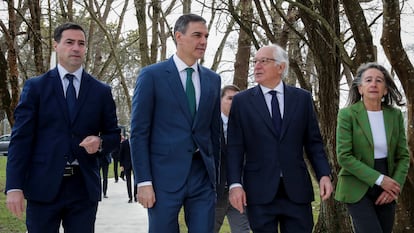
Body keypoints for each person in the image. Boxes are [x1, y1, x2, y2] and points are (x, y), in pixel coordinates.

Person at [5, 22, 120, 233]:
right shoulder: (36, 88)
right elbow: (20, 140)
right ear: (56, 45)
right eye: (69, 42)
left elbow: (114, 134)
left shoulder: (100, 91)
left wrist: (101, 142)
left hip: (83, 188)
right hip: (42, 186)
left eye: (81, 43)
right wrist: (14, 186)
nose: (76, 48)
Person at [226, 44, 333, 233]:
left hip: (296, 191)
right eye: (255, 61)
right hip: (259, 191)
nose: (257, 66)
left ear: (281, 67)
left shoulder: (302, 99)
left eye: (263, 61)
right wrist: (235, 184)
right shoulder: (242, 102)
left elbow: (314, 143)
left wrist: (324, 174)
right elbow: (235, 147)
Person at [129, 13, 221, 232]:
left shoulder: (213, 79)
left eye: (206, 36)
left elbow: (214, 132)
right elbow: (139, 133)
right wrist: (143, 182)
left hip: (202, 178)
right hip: (162, 180)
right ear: (179, 36)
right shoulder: (152, 76)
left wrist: (216, 177)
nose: (204, 41)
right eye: (197, 35)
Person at [335, 62, 410, 233]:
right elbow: (344, 156)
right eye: (368, 80)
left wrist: (394, 186)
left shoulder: (395, 115)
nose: (374, 84)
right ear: (360, 88)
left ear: (385, 89)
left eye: (379, 80)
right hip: (356, 183)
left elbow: (403, 156)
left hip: (389, 183)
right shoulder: (347, 115)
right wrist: (379, 179)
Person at [215, 85, 250, 233]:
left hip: (239, 192)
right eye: (230, 98)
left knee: (242, 231)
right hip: (216, 193)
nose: (234, 102)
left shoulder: (247, 127)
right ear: (220, 101)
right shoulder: (209, 125)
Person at [119, 136, 137, 203]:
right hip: (127, 165)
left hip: (135, 165)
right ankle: (130, 197)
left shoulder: (136, 141)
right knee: (128, 182)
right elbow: (121, 154)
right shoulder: (124, 143)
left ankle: (135, 196)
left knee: (136, 180)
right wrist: (121, 165)